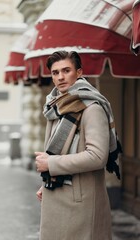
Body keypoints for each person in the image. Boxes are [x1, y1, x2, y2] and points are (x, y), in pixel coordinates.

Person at [35, 51, 121, 240]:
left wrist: (51, 164)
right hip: (57, 194)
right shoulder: (56, 107)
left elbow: (98, 157)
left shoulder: (92, 108)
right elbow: (56, 150)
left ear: (79, 72)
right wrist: (47, 181)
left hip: (80, 204)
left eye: (66, 70)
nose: (60, 77)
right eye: (55, 72)